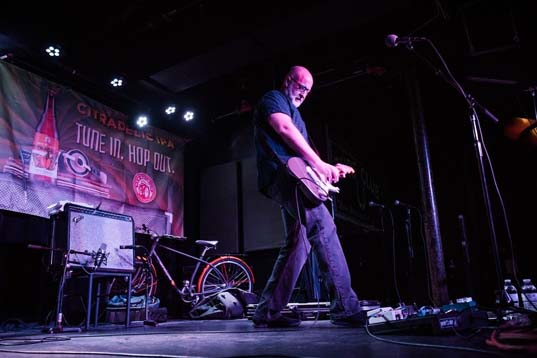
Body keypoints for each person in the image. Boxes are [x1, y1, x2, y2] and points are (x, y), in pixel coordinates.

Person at [252, 65, 362, 328]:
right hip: (285, 175)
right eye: (301, 87)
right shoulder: (274, 99)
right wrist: (320, 164)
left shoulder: (298, 118)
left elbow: (310, 159)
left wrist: (330, 169)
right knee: (324, 228)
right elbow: (283, 129)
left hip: (295, 176)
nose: (304, 93)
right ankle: (346, 307)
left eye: (308, 91)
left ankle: (267, 311)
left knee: (299, 243)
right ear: (288, 80)